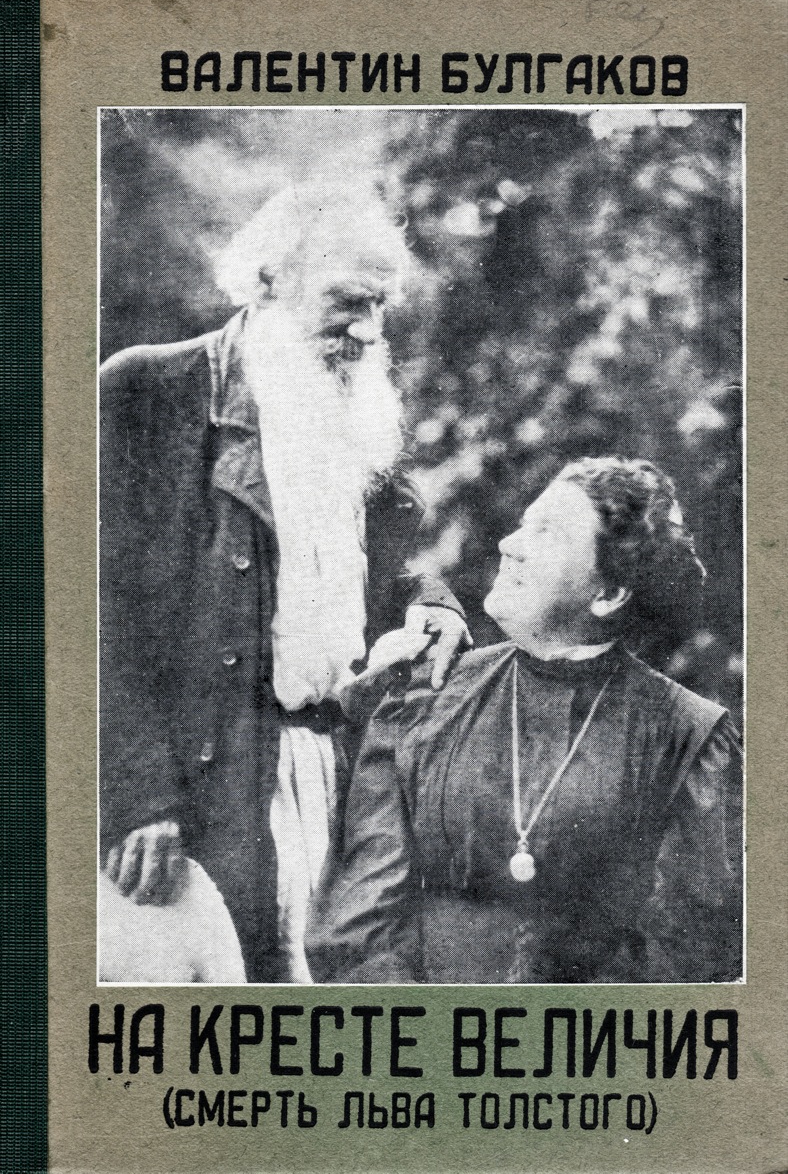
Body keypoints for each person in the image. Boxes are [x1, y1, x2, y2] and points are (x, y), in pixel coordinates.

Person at [99, 182, 469, 983]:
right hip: (203, 795)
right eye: (348, 302)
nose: (369, 331)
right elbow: (85, 612)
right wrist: (135, 796)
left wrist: (429, 605)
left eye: (381, 306)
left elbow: (380, 569)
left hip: (339, 782)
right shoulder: (146, 392)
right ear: (267, 280)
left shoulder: (352, 410)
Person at [307, 457, 743, 985]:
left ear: (608, 594)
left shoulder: (687, 737)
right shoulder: (424, 695)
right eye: (523, 524)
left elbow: (680, 956)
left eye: (546, 533)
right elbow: (358, 929)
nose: (509, 544)